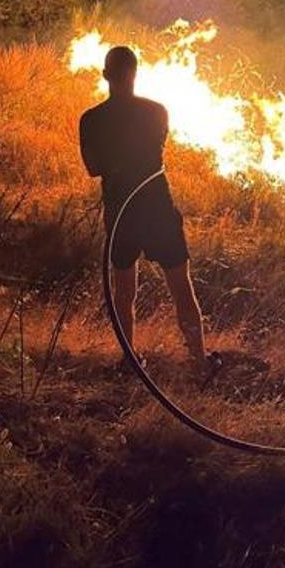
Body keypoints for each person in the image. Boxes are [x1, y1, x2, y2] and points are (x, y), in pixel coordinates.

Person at [79, 45, 208, 372]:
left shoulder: (91, 119)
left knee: (123, 291)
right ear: (135, 73)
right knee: (181, 286)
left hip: (121, 209)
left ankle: (129, 359)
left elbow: (93, 168)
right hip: (157, 209)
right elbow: (156, 149)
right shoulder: (157, 111)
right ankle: (199, 362)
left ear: (106, 75)